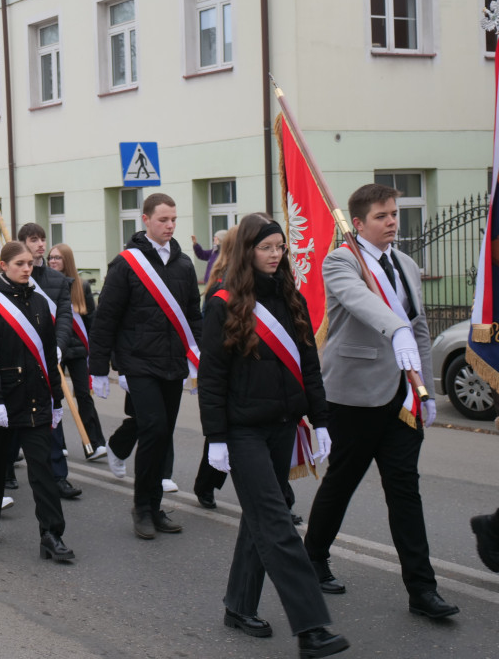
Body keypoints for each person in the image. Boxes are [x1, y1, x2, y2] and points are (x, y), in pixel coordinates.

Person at [303, 184, 459, 620]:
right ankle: (313, 555)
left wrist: (425, 388)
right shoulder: (341, 262)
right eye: (382, 216)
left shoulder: (406, 264)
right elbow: (359, 303)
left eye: (395, 214)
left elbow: (420, 327)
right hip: (354, 395)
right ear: (357, 223)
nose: (392, 222)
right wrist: (397, 330)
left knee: (405, 489)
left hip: (401, 396)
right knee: (343, 480)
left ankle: (422, 591)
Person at [198, 213, 349, 657]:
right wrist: (217, 437)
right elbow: (211, 378)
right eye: (267, 247)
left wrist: (320, 421)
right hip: (242, 431)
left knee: (264, 516)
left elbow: (309, 366)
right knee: (278, 521)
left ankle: (239, 605)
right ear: (247, 250)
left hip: (284, 426)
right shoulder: (222, 303)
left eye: (280, 247)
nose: (275, 254)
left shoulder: (290, 298)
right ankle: (312, 628)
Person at [89, 192, 202, 539]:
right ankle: (141, 508)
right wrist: (98, 369)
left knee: (163, 432)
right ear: (146, 220)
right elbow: (106, 318)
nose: (169, 226)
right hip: (138, 362)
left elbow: (193, 316)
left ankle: (154, 507)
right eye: (163, 220)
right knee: (152, 428)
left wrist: (198, 356)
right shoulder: (126, 264)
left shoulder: (183, 265)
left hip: (172, 362)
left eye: (173, 220)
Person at [0, 241, 72, 560]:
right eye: (20, 264)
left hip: (34, 398)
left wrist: (55, 400)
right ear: (4, 266)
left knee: (42, 469)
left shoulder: (40, 303)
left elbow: (46, 357)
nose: (27, 268)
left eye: (30, 263)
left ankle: (51, 535)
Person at [16, 224, 81, 499]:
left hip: (48, 359)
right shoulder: (11, 276)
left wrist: (59, 347)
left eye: (43, 239)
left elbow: (65, 317)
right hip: (18, 361)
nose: (41, 244)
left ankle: (59, 476)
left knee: (53, 415)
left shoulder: (56, 279)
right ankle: (6, 470)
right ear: (22, 243)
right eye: (34, 239)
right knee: (14, 418)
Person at [193, 225, 239, 510]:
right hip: (230, 371)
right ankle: (206, 484)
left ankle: (282, 500)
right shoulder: (220, 284)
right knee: (222, 435)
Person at [48, 242, 107, 461]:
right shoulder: (45, 286)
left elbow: (91, 322)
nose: (53, 261)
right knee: (56, 396)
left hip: (79, 349)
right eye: (50, 258)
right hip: (57, 349)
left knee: (83, 395)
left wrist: (96, 353)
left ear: (67, 261)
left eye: (57, 258)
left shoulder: (81, 286)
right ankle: (59, 443)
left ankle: (94, 441)